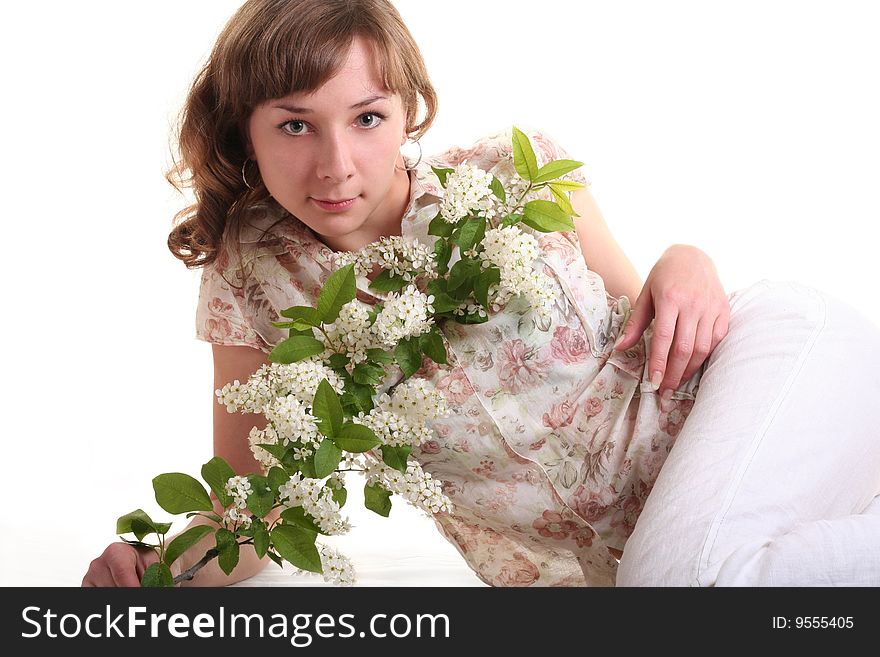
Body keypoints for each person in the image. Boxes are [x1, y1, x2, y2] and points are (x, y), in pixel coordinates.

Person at [82, 0, 880, 587]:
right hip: (738, 528)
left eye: (366, 117)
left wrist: (688, 255)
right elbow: (255, 507)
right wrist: (159, 568)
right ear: (242, 133)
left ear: (406, 112)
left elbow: (655, 327)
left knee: (674, 586)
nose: (336, 165)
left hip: (766, 384)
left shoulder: (507, 176)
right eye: (296, 125)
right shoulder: (250, 284)